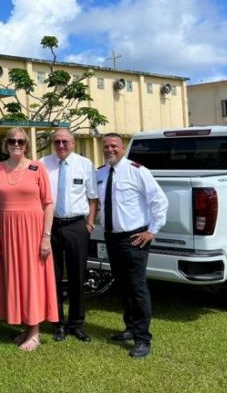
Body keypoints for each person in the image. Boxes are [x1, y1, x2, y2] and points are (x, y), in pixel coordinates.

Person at [97, 133, 168, 358]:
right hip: (112, 237)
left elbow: (159, 201)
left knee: (137, 287)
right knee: (123, 285)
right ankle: (130, 327)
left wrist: (152, 231)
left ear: (123, 147)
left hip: (134, 238)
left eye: (114, 146)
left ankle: (142, 339)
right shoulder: (99, 173)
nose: (110, 149)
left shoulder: (137, 171)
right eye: (106, 146)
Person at [0, 127, 58, 351]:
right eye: (12, 141)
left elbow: (48, 203)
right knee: (15, 277)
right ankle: (26, 327)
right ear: (6, 144)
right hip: (9, 232)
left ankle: (35, 332)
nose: (16, 144)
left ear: (26, 144)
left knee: (32, 278)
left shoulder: (37, 168)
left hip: (33, 230)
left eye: (20, 141)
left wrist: (46, 236)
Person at [40, 128, 98, 342]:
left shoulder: (85, 165)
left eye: (65, 141)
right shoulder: (43, 164)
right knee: (52, 276)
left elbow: (93, 198)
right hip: (51, 226)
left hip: (76, 226)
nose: (61, 146)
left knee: (77, 276)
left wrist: (89, 224)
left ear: (73, 143)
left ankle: (76, 323)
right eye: (57, 142)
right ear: (52, 144)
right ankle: (58, 323)